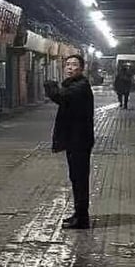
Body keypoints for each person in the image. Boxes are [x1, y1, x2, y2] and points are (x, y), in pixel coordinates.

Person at [44, 54, 95, 230]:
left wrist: (50, 86)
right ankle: (79, 213)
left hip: (79, 140)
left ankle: (82, 218)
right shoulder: (74, 85)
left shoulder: (80, 87)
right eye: (67, 65)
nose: (70, 68)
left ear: (82, 68)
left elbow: (61, 97)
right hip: (76, 139)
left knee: (79, 178)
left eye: (74, 65)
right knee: (76, 178)